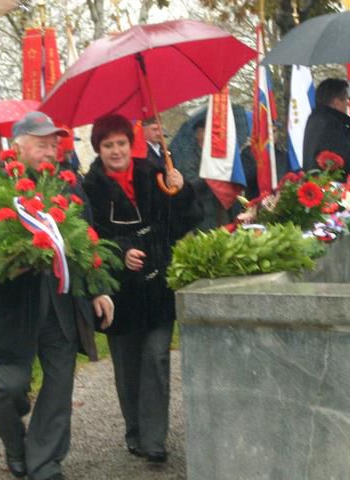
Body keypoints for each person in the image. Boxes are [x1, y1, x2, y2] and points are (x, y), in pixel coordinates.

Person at [0, 111, 114, 480]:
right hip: (10, 309)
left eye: (54, 144)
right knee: (10, 387)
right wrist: (7, 262)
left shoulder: (67, 188)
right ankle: (14, 443)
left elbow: (87, 239)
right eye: (42, 144)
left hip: (59, 303)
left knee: (60, 382)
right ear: (16, 147)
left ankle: (44, 461)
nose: (51, 151)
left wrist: (98, 289)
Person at [82, 114, 203, 466]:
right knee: (127, 365)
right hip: (119, 294)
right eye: (108, 145)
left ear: (129, 144)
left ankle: (154, 440)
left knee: (156, 356)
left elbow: (185, 221)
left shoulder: (153, 172)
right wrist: (121, 253)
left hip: (158, 284)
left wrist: (181, 190)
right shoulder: (89, 187)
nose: (116, 151)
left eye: (121, 143)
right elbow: (89, 236)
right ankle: (134, 429)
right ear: (99, 150)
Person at [303, 78, 350, 177]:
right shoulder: (331, 124)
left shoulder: (315, 119)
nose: (348, 103)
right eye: (345, 99)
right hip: (331, 186)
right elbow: (346, 158)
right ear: (336, 103)